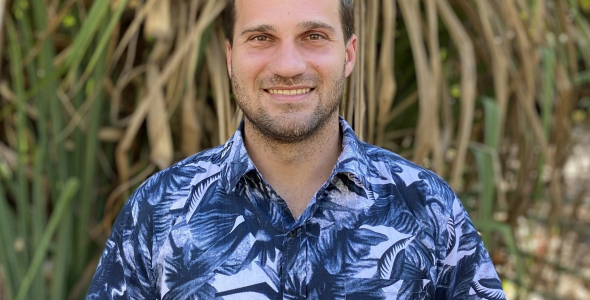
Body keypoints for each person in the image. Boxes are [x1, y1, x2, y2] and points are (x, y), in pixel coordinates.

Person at [87, 0, 506, 299]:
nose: (288, 65)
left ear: (348, 54)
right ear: (231, 57)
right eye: (261, 38)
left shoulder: (428, 208)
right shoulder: (159, 211)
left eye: (313, 36)